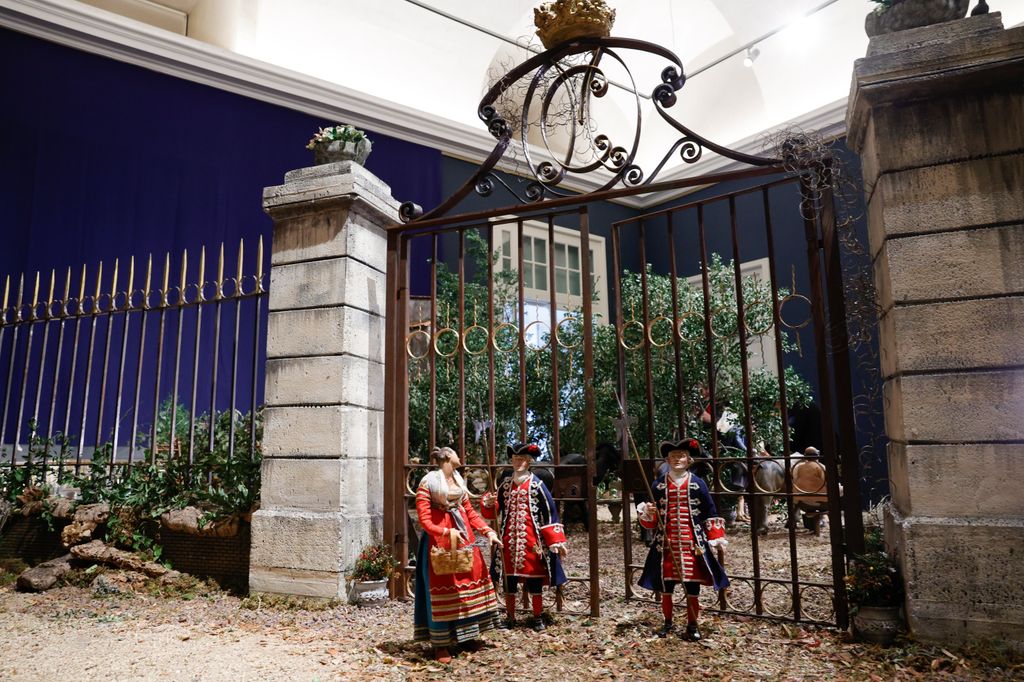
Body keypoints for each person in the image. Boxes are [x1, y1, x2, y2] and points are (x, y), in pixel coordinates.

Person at [414, 446, 503, 663]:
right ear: (446, 456)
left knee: (470, 582)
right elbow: (424, 519)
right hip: (440, 539)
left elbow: (469, 512)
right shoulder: (428, 482)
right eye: (455, 452)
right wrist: (445, 531)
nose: (459, 456)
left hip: (464, 536)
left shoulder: (458, 480)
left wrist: (488, 531)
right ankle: (441, 645)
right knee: (443, 586)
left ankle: (468, 637)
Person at [637, 438, 729, 641]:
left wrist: (716, 537)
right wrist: (649, 513)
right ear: (667, 460)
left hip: (692, 544)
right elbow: (650, 522)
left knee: (692, 588)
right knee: (666, 588)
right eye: (672, 456)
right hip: (666, 544)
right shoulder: (658, 484)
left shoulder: (698, 483)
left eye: (681, 456)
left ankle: (692, 625)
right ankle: (668, 623)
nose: (677, 459)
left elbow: (710, 511)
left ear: (689, 460)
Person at [481, 442, 567, 632]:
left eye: (522, 459)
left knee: (534, 579)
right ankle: (510, 617)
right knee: (508, 580)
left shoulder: (537, 485)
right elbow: (494, 511)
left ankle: (537, 617)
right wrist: (488, 503)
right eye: (515, 459)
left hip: (532, 542)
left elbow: (550, 511)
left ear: (528, 462)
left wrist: (556, 541)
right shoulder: (505, 485)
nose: (518, 462)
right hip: (507, 541)